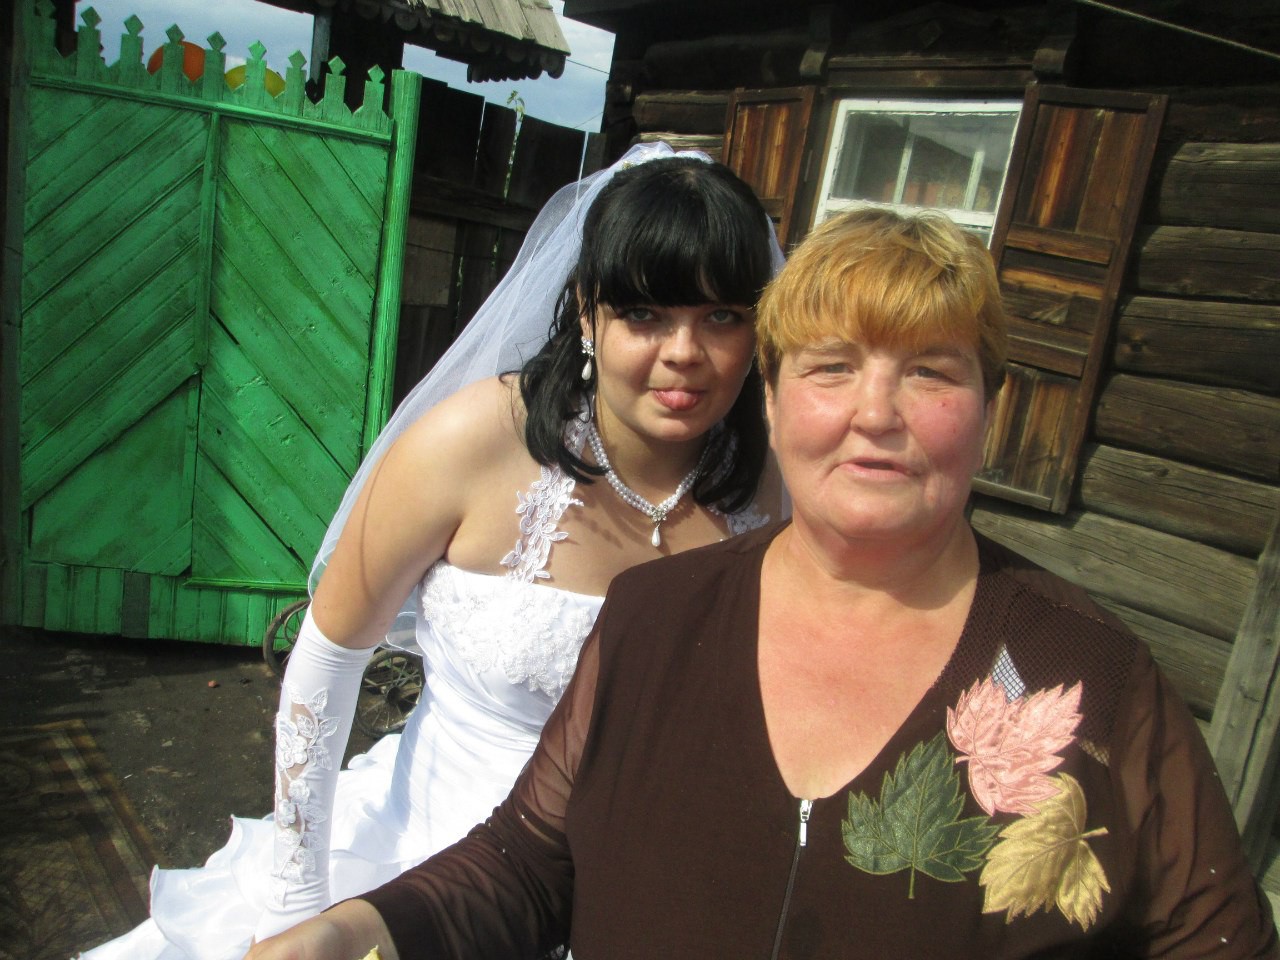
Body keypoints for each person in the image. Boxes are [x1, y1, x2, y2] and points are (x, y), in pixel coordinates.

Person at [247, 207, 1278, 960]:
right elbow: (528, 864)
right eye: (831, 367)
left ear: (989, 413)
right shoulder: (655, 616)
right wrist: (362, 926)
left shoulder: (1097, 681)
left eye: (929, 369)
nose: (875, 412)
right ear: (774, 401)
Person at [77, 142, 784, 960]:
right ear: (588, 314)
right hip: (422, 865)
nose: (685, 352)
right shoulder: (473, 442)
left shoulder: (775, 489)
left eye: (721, 317)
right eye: (646, 314)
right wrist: (297, 897)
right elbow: (329, 656)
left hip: (643, 890)